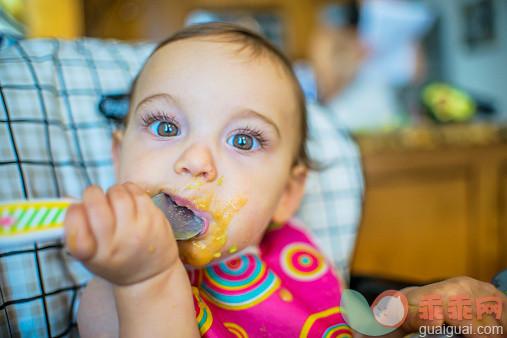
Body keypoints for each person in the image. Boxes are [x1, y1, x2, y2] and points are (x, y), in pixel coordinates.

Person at [64, 23, 506, 337]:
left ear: (287, 195)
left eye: (242, 139)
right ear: (119, 156)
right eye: (165, 128)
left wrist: (405, 316)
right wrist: (147, 280)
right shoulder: (116, 290)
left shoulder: (297, 261)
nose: (196, 161)